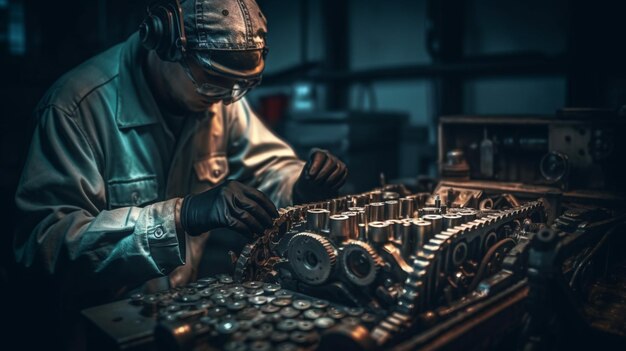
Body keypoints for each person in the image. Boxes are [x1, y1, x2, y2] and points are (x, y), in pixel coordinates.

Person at [13, 0, 347, 310]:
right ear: (163, 43)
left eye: (239, 87)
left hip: (173, 309)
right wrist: (182, 215)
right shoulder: (75, 108)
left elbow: (269, 167)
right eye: (213, 82)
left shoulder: (218, 97)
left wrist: (299, 185)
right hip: (94, 321)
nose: (226, 99)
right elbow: (45, 246)